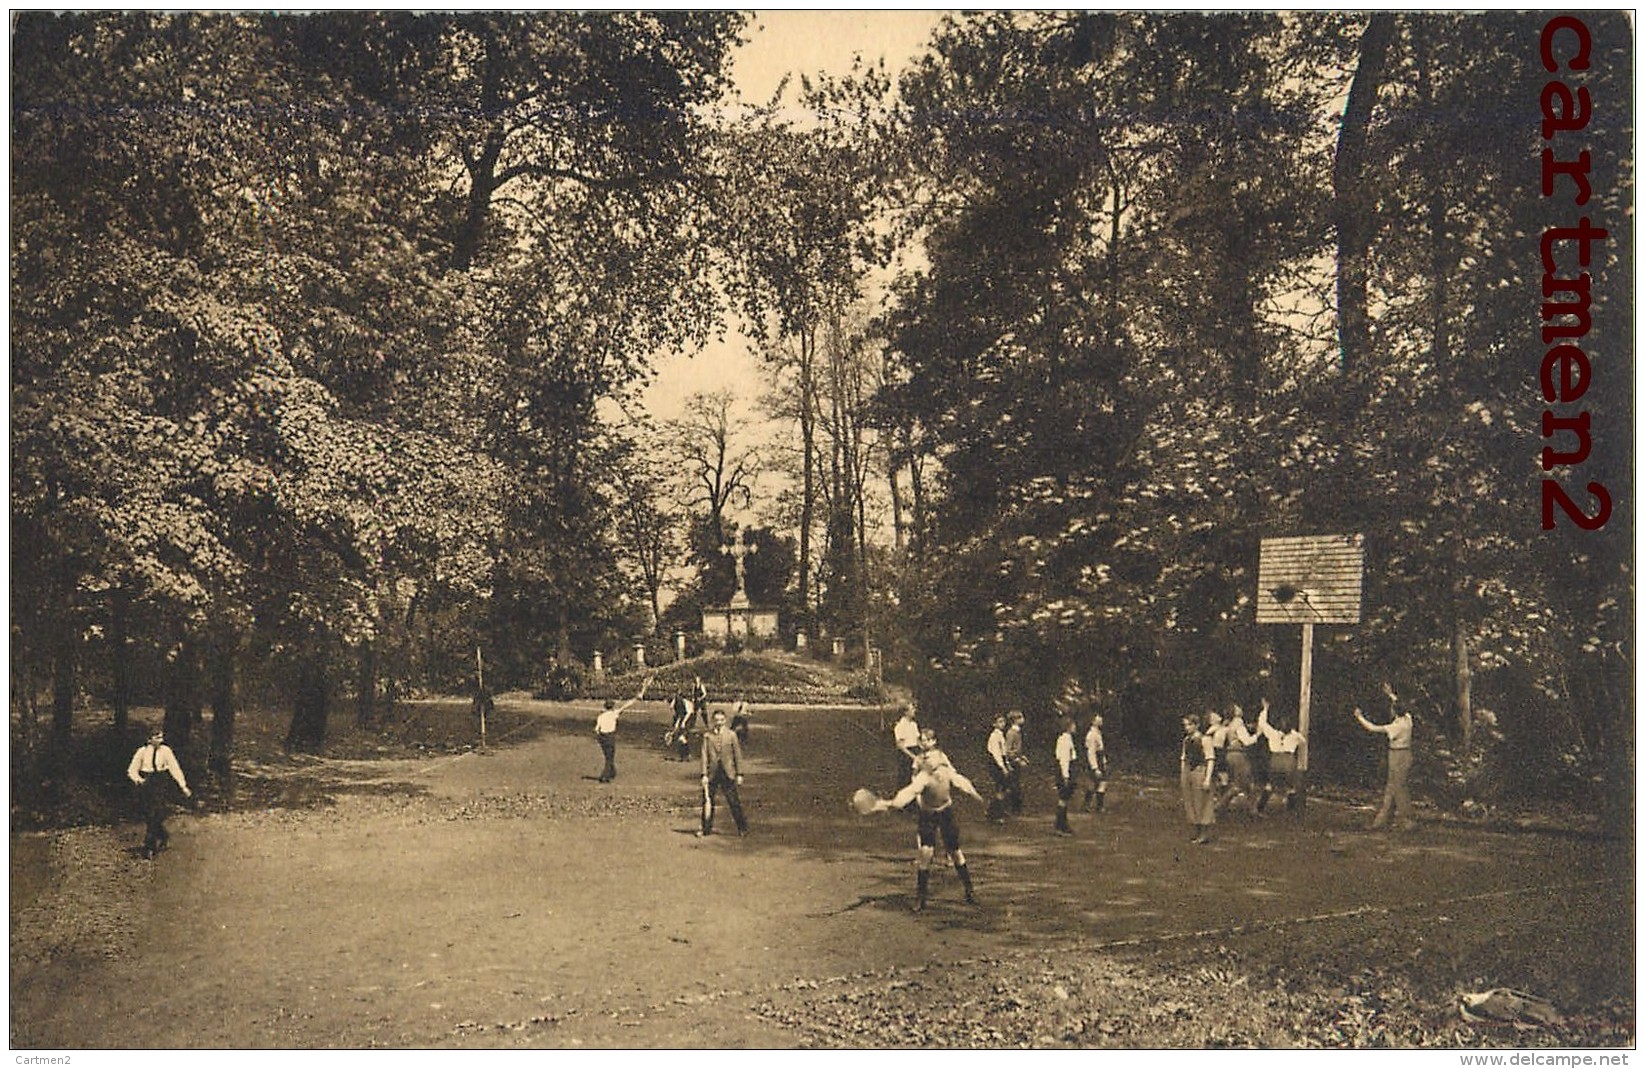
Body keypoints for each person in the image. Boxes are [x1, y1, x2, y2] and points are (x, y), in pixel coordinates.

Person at [869, 732, 984, 911]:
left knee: (955, 852)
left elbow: (960, 781)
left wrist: (974, 793)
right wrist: (889, 804)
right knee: (925, 854)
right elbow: (908, 793)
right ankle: (921, 899)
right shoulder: (923, 776)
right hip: (928, 815)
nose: (931, 760)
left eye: (934, 757)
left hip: (946, 812)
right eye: (928, 758)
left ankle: (970, 891)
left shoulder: (945, 766)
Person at [1354, 682, 1415, 830]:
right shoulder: (1407, 718)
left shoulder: (1396, 726)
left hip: (1398, 755)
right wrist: (1390, 694)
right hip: (1403, 754)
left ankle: (1406, 821)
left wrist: (1359, 717)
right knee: (1392, 787)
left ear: (1395, 712)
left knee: (1398, 788)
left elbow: (1373, 728)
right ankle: (1382, 820)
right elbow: (1398, 704)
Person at [127, 728, 193, 858]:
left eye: (161, 737)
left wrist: (183, 786)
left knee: (155, 812)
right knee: (148, 813)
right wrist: (138, 780)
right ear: (149, 739)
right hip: (147, 782)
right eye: (157, 737)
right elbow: (132, 770)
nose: (160, 739)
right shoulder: (142, 752)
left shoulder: (166, 751)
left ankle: (149, 847)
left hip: (161, 782)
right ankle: (163, 834)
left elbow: (175, 768)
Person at [698, 709, 749, 837]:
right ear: (712, 721)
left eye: (721, 720)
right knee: (707, 800)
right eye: (716, 720)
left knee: (733, 801)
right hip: (712, 773)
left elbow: (737, 755)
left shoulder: (731, 735)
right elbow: (704, 756)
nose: (719, 723)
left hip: (727, 773)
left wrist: (739, 774)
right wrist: (704, 774)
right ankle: (705, 828)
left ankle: (742, 827)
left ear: (725, 721)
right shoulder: (707, 736)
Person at [594, 674, 652, 782]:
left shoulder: (600, 716)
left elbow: (596, 729)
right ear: (612, 706)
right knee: (609, 757)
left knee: (608, 755)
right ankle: (604, 776)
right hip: (610, 736)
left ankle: (612, 772)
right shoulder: (614, 714)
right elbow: (625, 706)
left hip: (602, 737)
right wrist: (636, 698)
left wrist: (599, 738)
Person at [1255, 699, 1305, 813]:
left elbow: (1262, 724)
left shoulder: (1273, 734)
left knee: (1271, 784)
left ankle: (1260, 808)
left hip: (1275, 760)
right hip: (1288, 760)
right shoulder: (1294, 736)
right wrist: (1293, 734)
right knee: (1291, 785)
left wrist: (1265, 710)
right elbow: (1303, 741)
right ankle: (1291, 809)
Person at [1180, 712, 1217, 844]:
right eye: (1185, 725)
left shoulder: (1205, 739)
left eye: (1189, 725)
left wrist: (1207, 778)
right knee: (1190, 801)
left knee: (1203, 801)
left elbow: (1210, 759)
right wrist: (1183, 774)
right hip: (1188, 771)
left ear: (1196, 725)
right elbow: (1184, 758)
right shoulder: (1186, 740)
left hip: (1200, 770)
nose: (1187, 728)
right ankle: (1196, 829)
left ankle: (1204, 833)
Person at [1218, 703, 1259, 815]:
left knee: (1247, 783)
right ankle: (1220, 806)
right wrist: (1257, 735)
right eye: (1237, 708)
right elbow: (1247, 741)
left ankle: (1253, 810)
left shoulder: (1230, 724)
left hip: (1231, 754)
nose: (1240, 709)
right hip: (1238, 755)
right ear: (1235, 712)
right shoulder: (1238, 723)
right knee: (1240, 784)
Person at [1053, 715, 1077, 835]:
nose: (1075, 727)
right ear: (1068, 727)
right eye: (1073, 725)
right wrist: (1066, 775)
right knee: (1063, 798)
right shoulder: (1065, 740)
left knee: (1065, 799)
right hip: (1065, 770)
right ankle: (1060, 825)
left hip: (1066, 769)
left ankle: (1062, 823)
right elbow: (1064, 759)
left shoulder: (1067, 738)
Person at [984, 714, 1010, 823]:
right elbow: (996, 754)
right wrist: (1002, 766)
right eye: (999, 722)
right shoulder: (994, 736)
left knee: (1004, 788)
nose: (1002, 724)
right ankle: (994, 813)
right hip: (996, 763)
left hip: (1002, 761)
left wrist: (1007, 762)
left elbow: (1004, 752)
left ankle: (995, 810)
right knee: (1000, 788)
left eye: (1003, 721)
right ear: (994, 724)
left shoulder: (1001, 735)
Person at [1081, 713, 1108, 812]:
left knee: (1100, 783)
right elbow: (1091, 752)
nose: (1101, 719)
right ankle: (1093, 805)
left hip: (1099, 758)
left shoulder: (1098, 733)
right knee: (1096, 783)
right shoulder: (1092, 735)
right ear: (1093, 721)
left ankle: (1095, 805)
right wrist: (1095, 767)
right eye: (1098, 718)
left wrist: (1104, 761)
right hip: (1095, 760)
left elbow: (1101, 749)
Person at [1003, 710, 1026, 814]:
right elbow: (1008, 750)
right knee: (1012, 785)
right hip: (1012, 763)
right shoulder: (1011, 733)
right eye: (1020, 717)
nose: (1022, 719)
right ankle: (1010, 808)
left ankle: (1015, 808)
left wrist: (1022, 757)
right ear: (1014, 720)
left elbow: (1017, 749)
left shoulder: (1017, 732)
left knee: (1015, 784)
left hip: (1016, 761)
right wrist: (1016, 759)